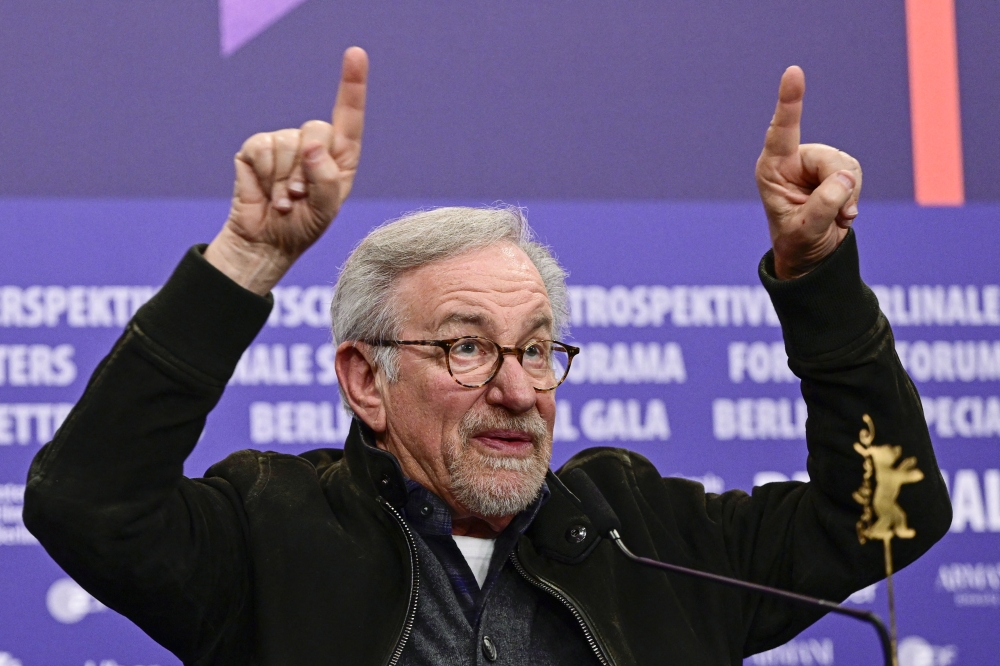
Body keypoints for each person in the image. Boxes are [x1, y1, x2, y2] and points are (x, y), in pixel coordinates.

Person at [24, 47, 951, 666]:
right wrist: (245, 262)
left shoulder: (648, 538)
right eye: (467, 347)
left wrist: (818, 277)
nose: (517, 390)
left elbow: (889, 517)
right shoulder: (268, 536)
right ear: (365, 381)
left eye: (538, 350)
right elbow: (86, 505)